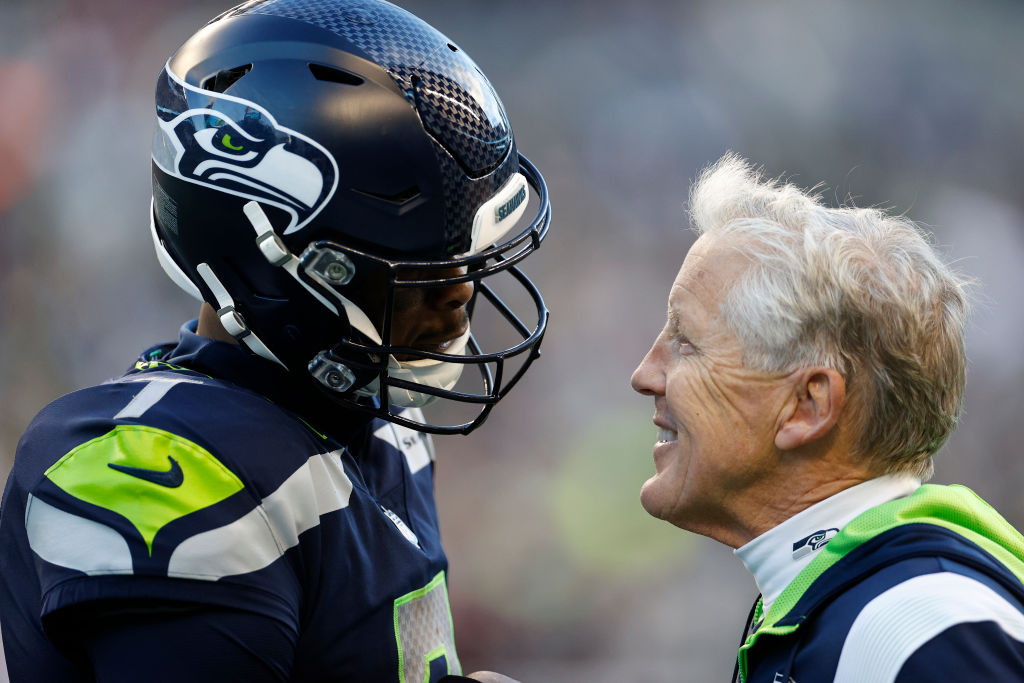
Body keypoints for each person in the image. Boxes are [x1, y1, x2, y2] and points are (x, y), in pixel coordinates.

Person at [0, 1, 549, 681]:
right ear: (273, 264)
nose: (461, 296)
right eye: (421, 274)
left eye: (467, 265)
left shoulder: (385, 420)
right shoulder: (160, 473)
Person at [631, 154, 1024, 682]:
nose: (644, 375)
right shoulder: (857, 597)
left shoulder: (922, 627)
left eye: (686, 342)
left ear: (808, 406)